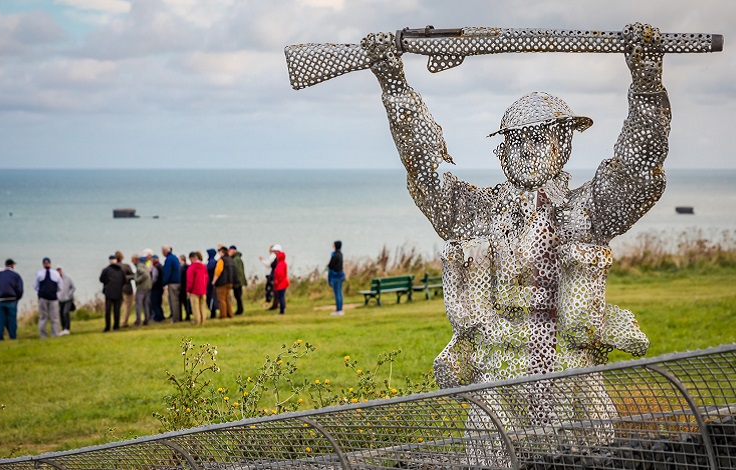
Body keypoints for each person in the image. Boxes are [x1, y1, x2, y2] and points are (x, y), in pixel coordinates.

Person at [360, 23, 661, 388]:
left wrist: (647, 84)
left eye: (539, 138)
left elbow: (638, 169)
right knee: (492, 442)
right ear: (502, 152)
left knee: (589, 443)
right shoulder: (479, 212)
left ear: (563, 145)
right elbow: (424, 171)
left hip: (570, 372)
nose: (526, 149)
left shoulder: (585, 211)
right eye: (516, 141)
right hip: (495, 370)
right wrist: (393, 85)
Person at [0, 258, 23, 340]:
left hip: (1, 299)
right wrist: (17, 298)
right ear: (12, 265)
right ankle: (13, 337)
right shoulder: (16, 275)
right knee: (12, 319)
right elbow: (20, 288)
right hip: (12, 299)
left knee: (0, 320)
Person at [34, 257, 62, 338]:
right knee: (43, 317)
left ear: (50, 263)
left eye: (47, 263)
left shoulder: (55, 273)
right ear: (43, 264)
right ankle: (43, 335)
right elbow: (36, 286)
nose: (46, 264)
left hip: (53, 298)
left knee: (54, 317)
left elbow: (60, 285)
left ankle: (55, 334)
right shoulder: (39, 273)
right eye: (45, 263)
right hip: (43, 298)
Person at [99, 255, 126, 332]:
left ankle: (107, 327)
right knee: (117, 310)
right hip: (118, 291)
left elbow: (101, 279)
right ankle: (116, 326)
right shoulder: (120, 270)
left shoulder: (106, 270)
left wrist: (107, 283)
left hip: (109, 292)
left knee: (108, 310)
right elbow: (124, 280)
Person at [186, 251, 208, 325]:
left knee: (195, 306)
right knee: (202, 306)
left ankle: (197, 321)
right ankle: (203, 320)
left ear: (191, 258)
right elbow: (206, 277)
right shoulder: (203, 266)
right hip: (203, 289)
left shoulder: (192, 267)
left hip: (195, 289)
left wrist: (188, 290)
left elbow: (190, 280)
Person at [213, 246, 235, 319]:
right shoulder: (230, 259)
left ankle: (223, 314)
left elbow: (218, 271)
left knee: (221, 299)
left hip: (222, 282)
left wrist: (214, 280)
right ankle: (230, 313)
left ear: (222, 252)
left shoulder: (221, 260)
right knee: (227, 298)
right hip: (230, 282)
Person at [161, 245, 182, 322]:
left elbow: (167, 272)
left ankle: (176, 318)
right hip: (178, 281)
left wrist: (164, 282)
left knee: (174, 301)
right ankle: (179, 316)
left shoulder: (168, 260)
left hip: (173, 282)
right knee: (178, 301)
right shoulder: (175, 258)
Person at [116, 251, 135, 328]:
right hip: (127, 288)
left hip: (117, 289)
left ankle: (117, 321)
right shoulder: (126, 266)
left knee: (118, 306)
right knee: (127, 306)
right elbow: (133, 276)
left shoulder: (113, 267)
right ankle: (124, 322)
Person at [55, 265, 75, 335]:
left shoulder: (68, 278)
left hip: (68, 299)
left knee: (65, 312)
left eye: (59, 270)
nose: (58, 271)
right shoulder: (55, 279)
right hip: (60, 300)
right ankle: (63, 328)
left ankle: (67, 328)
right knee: (60, 313)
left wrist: (69, 295)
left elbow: (73, 287)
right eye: (57, 270)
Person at [327, 240, 345, 316]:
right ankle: (340, 308)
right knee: (340, 293)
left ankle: (338, 310)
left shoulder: (335, 255)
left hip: (336, 276)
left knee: (337, 293)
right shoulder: (340, 254)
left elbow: (330, 265)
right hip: (341, 275)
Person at [259, 244, 279, 310]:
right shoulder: (274, 256)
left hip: (272, 274)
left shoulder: (272, 256)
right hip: (272, 274)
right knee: (272, 289)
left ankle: (268, 302)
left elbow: (268, 265)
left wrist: (262, 260)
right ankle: (273, 302)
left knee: (269, 288)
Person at [228, 245, 247, 315]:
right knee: (238, 296)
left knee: (238, 295)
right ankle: (240, 309)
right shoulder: (237, 258)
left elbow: (237, 271)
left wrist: (235, 280)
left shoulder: (236, 260)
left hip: (237, 281)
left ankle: (240, 310)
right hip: (239, 280)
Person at [133, 253, 151, 326]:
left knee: (138, 304)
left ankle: (138, 320)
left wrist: (137, 279)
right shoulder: (145, 266)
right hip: (147, 287)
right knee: (146, 304)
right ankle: (147, 319)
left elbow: (145, 275)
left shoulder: (139, 266)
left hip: (141, 287)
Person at [272, 249, 289, 315]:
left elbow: (280, 274)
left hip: (280, 283)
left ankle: (282, 311)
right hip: (282, 282)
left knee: (280, 297)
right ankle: (282, 308)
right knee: (281, 296)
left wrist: (277, 281)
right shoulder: (283, 263)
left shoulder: (280, 264)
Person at [149, 254, 165, 322]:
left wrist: (150, 285)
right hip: (161, 287)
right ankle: (161, 315)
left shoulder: (156, 267)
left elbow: (154, 279)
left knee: (154, 303)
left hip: (155, 288)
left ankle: (158, 316)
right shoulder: (161, 266)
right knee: (159, 302)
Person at [205, 248, 218, 319]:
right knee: (211, 298)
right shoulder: (213, 261)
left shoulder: (211, 262)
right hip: (210, 282)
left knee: (210, 298)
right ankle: (213, 312)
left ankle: (213, 313)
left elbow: (207, 270)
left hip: (210, 282)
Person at [179, 254, 192, 322]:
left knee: (184, 302)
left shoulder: (182, 268)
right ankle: (188, 314)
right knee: (186, 302)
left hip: (183, 286)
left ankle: (187, 315)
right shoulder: (188, 266)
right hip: (186, 286)